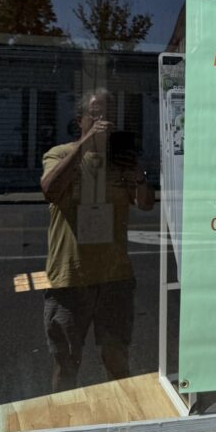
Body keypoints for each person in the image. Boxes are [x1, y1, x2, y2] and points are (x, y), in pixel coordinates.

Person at [40, 88, 154, 391]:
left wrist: (138, 174)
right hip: (71, 278)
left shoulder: (119, 160)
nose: (105, 120)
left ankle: (121, 420)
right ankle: (62, 427)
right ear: (81, 120)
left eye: (110, 114)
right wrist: (84, 146)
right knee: (66, 361)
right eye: (97, 113)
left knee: (117, 358)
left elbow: (145, 203)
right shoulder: (61, 153)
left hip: (115, 277)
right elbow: (49, 190)